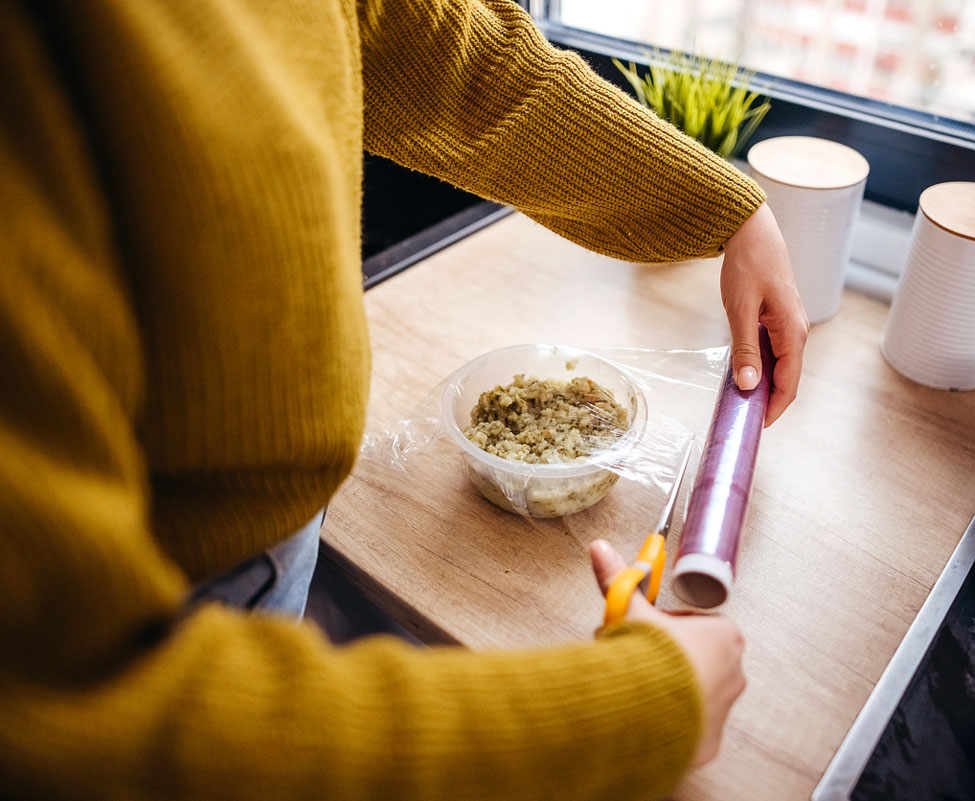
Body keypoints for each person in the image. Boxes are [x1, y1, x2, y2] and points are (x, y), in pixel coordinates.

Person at [0, 0, 808, 798]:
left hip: (274, 549)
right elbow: (76, 709)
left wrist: (723, 210)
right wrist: (631, 714)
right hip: (173, 601)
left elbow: (459, 65)